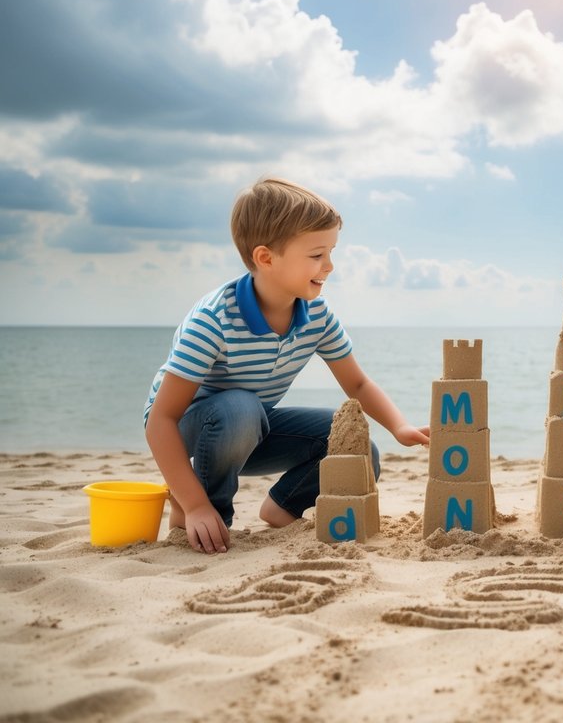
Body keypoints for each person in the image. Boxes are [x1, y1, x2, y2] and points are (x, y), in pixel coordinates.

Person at [144, 178, 429, 555]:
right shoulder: (214, 320)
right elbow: (160, 420)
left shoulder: (316, 314)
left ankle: (282, 507)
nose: (329, 265)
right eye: (316, 255)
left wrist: (400, 426)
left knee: (355, 444)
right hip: (189, 430)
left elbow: (357, 385)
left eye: (331, 252)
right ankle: (199, 511)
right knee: (240, 407)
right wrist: (195, 505)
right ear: (266, 258)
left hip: (250, 427)